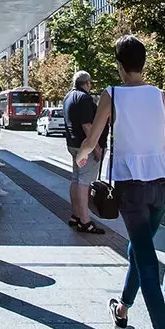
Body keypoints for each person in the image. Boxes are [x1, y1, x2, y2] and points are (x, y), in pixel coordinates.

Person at [77, 36, 165, 329]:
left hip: (130, 189)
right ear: (144, 62)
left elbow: (93, 138)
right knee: (138, 248)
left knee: (145, 261)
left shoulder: (111, 94)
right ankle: (123, 308)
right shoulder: (161, 96)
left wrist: (82, 156)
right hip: (163, 187)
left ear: (118, 63)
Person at [63, 71, 105, 234]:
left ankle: (75, 215)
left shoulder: (68, 97)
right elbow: (87, 125)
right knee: (84, 182)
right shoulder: (85, 98)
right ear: (86, 83)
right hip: (85, 147)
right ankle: (85, 221)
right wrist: (96, 147)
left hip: (73, 144)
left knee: (76, 179)